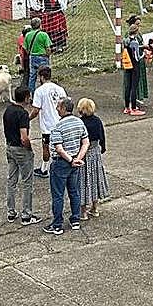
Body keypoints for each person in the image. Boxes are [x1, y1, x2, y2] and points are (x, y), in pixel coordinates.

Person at [44, 98, 88, 235]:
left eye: (58, 107)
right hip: (75, 162)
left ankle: (57, 225)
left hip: (61, 163)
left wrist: (70, 160)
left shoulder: (58, 127)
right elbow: (85, 142)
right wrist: (77, 159)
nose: (57, 109)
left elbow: (59, 148)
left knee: (58, 195)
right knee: (74, 192)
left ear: (63, 109)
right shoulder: (79, 122)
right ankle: (75, 220)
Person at [3, 85, 41, 225]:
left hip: (10, 147)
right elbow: (24, 137)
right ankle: (26, 214)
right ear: (26, 97)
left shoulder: (8, 110)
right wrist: (29, 148)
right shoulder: (23, 114)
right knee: (27, 182)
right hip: (21, 150)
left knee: (11, 180)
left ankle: (11, 212)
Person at [75, 98, 109, 220]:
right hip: (95, 153)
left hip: (83, 153)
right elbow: (102, 136)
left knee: (83, 181)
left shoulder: (80, 123)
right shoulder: (97, 121)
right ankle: (95, 208)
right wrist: (103, 148)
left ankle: (83, 211)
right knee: (95, 179)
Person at [32, 66, 67, 176]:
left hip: (47, 126)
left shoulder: (39, 91)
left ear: (41, 77)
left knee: (46, 147)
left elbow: (36, 110)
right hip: (61, 123)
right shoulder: (60, 89)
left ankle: (44, 169)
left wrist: (27, 119)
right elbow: (66, 104)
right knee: (61, 146)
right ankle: (64, 165)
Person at [21, 18, 53, 92]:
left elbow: (25, 47)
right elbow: (48, 48)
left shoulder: (28, 35)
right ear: (40, 25)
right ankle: (45, 91)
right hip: (42, 57)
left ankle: (31, 94)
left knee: (32, 76)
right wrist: (48, 55)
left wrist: (29, 52)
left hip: (32, 57)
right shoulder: (44, 35)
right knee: (45, 75)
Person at [121, 22, 145, 115]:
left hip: (127, 65)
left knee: (128, 86)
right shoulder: (134, 42)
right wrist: (143, 54)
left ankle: (127, 107)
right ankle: (134, 108)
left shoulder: (125, 41)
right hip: (134, 66)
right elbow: (137, 57)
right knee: (134, 87)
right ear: (136, 31)